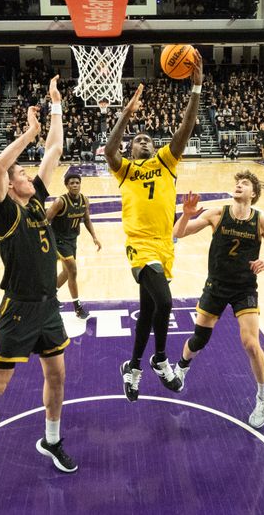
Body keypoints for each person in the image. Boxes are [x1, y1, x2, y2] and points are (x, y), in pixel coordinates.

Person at [0, 77, 77, 507]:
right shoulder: (5, 213)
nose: (26, 176)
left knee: (57, 374)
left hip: (48, 307)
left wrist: (55, 108)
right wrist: (27, 134)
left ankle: (52, 440)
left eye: (26, 174)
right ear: (12, 186)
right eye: (23, 174)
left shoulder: (39, 201)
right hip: (18, 310)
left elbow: (55, 152)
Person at [104, 50, 203, 402]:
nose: (144, 141)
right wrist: (125, 116)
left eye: (148, 138)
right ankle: (160, 360)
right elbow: (108, 150)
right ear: (131, 149)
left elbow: (185, 128)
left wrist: (196, 90)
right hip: (140, 245)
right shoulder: (125, 169)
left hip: (164, 245)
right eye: (137, 140)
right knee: (164, 302)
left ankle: (132, 367)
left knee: (148, 310)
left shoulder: (165, 160)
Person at [172, 171, 264, 428]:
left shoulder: (262, 221)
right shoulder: (217, 214)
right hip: (216, 285)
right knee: (199, 339)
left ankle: (263, 395)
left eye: (245, 183)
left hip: (244, 288)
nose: (239, 185)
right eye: (237, 182)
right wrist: (187, 215)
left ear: (253, 193)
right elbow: (178, 233)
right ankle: (181, 367)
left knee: (250, 344)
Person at [46, 172, 102, 319]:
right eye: (71, 183)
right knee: (73, 270)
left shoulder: (84, 200)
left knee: (66, 272)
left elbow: (87, 220)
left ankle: (49, 297)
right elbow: (46, 219)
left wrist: (94, 237)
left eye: (77, 182)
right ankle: (77, 308)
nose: (75, 185)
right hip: (58, 240)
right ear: (67, 186)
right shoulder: (60, 202)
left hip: (72, 240)